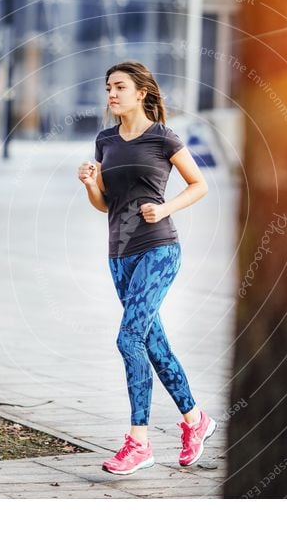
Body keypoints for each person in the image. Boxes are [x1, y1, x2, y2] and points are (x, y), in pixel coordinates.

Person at [78, 61, 216, 476]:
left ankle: (139, 441)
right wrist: (90, 184)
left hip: (158, 250)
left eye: (119, 87)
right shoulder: (104, 141)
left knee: (128, 338)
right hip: (119, 254)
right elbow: (106, 205)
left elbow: (200, 184)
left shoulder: (162, 138)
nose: (111, 94)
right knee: (151, 343)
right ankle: (196, 420)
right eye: (108, 88)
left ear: (142, 93)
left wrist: (165, 207)